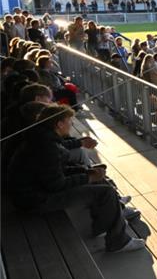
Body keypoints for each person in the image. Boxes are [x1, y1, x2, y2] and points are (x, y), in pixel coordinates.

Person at [7, 104, 145, 252]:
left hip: (33, 192)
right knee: (105, 192)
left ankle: (107, 220)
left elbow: (51, 172)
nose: (71, 124)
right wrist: (87, 178)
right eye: (69, 121)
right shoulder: (47, 147)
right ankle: (118, 241)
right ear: (59, 124)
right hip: (35, 201)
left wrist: (84, 171)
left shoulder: (42, 137)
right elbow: (55, 185)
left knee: (96, 178)